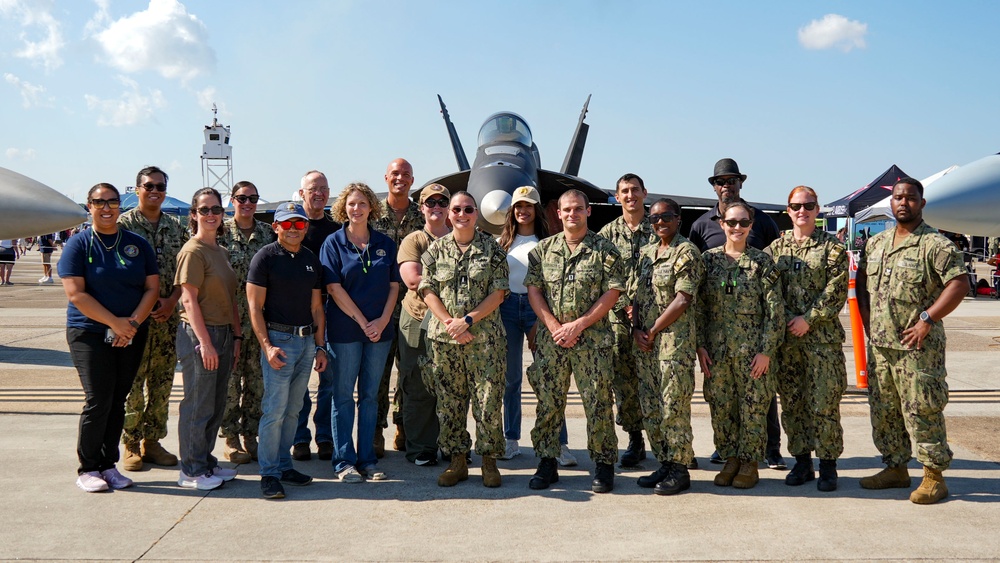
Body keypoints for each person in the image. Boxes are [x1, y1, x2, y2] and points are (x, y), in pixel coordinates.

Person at [857, 178, 969, 504]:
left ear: (921, 203)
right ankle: (895, 468)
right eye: (897, 198)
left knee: (922, 410)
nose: (903, 203)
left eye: (910, 198)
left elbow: (958, 284)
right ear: (890, 203)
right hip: (881, 347)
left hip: (917, 349)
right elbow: (863, 282)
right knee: (884, 411)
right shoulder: (876, 244)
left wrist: (927, 319)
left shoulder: (935, 245)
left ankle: (934, 476)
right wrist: (867, 323)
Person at [59, 183, 159, 492]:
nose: (106, 208)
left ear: (120, 205)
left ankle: (107, 464)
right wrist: (115, 323)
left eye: (112, 202)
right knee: (98, 399)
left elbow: (151, 288)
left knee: (118, 401)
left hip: (129, 332)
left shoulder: (137, 243)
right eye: (99, 202)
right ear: (88, 206)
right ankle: (88, 467)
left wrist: (130, 325)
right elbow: (76, 294)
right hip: (88, 333)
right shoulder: (78, 244)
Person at [524, 189, 625, 493]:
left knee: (598, 403)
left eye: (578, 209)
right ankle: (547, 461)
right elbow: (534, 291)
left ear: (588, 211)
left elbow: (612, 293)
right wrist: (555, 326)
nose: (572, 214)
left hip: (592, 341)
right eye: (566, 209)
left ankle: (604, 464)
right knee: (549, 402)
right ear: (558, 213)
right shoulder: (542, 251)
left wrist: (578, 325)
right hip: (552, 340)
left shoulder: (605, 250)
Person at [688, 158, 785, 470]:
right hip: (719, 345)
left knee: (761, 400)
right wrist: (700, 344)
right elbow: (698, 298)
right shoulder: (702, 226)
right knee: (722, 402)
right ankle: (729, 453)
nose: (726, 185)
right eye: (721, 181)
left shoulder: (763, 224)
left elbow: (774, 303)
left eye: (732, 180)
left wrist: (767, 349)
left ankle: (768, 451)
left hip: (753, 343)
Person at [420, 191, 509, 487]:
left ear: (476, 213)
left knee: (487, 401)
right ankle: (457, 461)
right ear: (449, 214)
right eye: (456, 209)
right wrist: (449, 322)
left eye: (468, 209)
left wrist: (467, 320)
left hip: (484, 341)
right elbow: (427, 289)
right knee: (450, 403)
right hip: (445, 341)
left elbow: (498, 293)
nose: (461, 214)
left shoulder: (492, 250)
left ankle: (489, 462)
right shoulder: (436, 250)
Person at [768, 186, 848, 492]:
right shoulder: (777, 249)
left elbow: (836, 290)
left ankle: (828, 466)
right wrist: (789, 318)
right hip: (788, 342)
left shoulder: (833, 248)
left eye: (808, 205)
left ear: (817, 210)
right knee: (792, 403)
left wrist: (808, 319)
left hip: (822, 341)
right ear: (788, 210)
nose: (802, 211)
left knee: (825, 404)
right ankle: (802, 462)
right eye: (796, 206)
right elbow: (769, 289)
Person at [321, 182, 400, 483]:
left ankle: (367, 459)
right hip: (344, 332)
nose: (357, 209)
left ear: (371, 207)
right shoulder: (333, 243)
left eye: (362, 203)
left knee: (370, 396)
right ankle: (344, 462)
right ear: (344, 207)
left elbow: (394, 286)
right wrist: (361, 320)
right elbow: (333, 287)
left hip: (379, 332)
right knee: (342, 396)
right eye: (351, 204)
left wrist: (381, 321)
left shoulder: (385, 243)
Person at [246, 203, 327, 499]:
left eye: (299, 224)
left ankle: (283, 464)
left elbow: (317, 307)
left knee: (293, 410)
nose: (294, 230)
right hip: (279, 341)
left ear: (306, 227)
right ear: (276, 227)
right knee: (275, 410)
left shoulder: (310, 260)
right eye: (288, 224)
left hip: (306, 342)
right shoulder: (265, 257)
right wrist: (267, 346)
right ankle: (268, 474)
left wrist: (320, 346)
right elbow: (254, 306)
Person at [496, 186, 575, 466]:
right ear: (512, 210)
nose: (523, 211)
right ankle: (511, 439)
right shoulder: (501, 243)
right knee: (511, 379)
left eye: (528, 206)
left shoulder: (551, 242)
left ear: (536, 209)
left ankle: (559, 443)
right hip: (507, 308)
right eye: (518, 206)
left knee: (550, 378)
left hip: (538, 309)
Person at [631, 198, 704, 495]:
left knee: (673, 406)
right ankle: (664, 460)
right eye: (654, 218)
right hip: (646, 343)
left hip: (673, 343)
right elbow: (635, 294)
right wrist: (636, 328)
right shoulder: (646, 253)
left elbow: (682, 298)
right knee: (651, 407)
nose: (660, 222)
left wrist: (652, 329)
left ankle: (680, 467)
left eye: (666, 217)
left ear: (678, 219)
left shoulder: (686, 251)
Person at [118, 166, 189, 471]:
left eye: (160, 186)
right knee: (132, 383)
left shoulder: (177, 227)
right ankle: (130, 444)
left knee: (162, 383)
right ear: (137, 190)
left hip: (166, 319)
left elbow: (185, 272)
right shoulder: (123, 225)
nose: (155, 191)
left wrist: (173, 301)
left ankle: (153, 441)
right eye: (149, 186)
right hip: (133, 320)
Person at [175, 187, 242, 490]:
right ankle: (191, 470)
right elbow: (188, 301)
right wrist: (205, 343)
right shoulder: (193, 251)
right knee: (198, 404)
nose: (211, 214)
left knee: (215, 404)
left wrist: (236, 336)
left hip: (224, 332)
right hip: (201, 333)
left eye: (216, 209)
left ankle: (205, 461)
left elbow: (231, 298)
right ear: (194, 215)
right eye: (204, 210)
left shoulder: (221, 251)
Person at [597, 173, 657, 467]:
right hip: (619, 323)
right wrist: (625, 305)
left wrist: (643, 307)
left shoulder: (659, 229)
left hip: (656, 319)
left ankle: (667, 441)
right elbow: (604, 279)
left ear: (645, 193)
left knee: (657, 382)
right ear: (617, 197)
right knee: (625, 383)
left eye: (635, 190)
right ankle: (635, 440)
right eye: (624, 191)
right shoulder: (607, 235)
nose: (630, 195)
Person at [370, 158, 425, 456]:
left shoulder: (422, 215)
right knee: (378, 374)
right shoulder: (372, 215)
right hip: (379, 309)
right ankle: (376, 430)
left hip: (414, 311)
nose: (400, 178)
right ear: (386, 178)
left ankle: (404, 425)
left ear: (412, 180)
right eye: (394, 174)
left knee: (409, 372)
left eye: (405, 174)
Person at [219, 181, 276, 464]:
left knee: (257, 382)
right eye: (242, 198)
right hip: (228, 320)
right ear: (232, 201)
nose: (248, 203)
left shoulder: (267, 234)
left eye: (253, 198)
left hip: (261, 321)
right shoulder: (219, 233)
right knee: (230, 383)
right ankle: (230, 438)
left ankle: (251, 436)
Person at [396, 184, 451, 466]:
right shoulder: (415, 240)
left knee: (451, 384)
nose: (437, 207)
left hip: (453, 325)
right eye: (431, 203)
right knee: (417, 385)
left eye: (443, 202)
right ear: (422, 208)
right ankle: (421, 448)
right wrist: (455, 280)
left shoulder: (463, 238)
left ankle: (451, 442)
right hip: (418, 319)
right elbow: (413, 281)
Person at [292, 170, 341, 462]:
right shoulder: (292, 227)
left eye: (323, 188)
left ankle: (324, 436)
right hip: (296, 315)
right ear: (302, 194)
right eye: (313, 189)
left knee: (329, 383)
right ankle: (300, 438)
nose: (319, 193)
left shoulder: (337, 232)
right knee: (299, 383)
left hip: (330, 314)